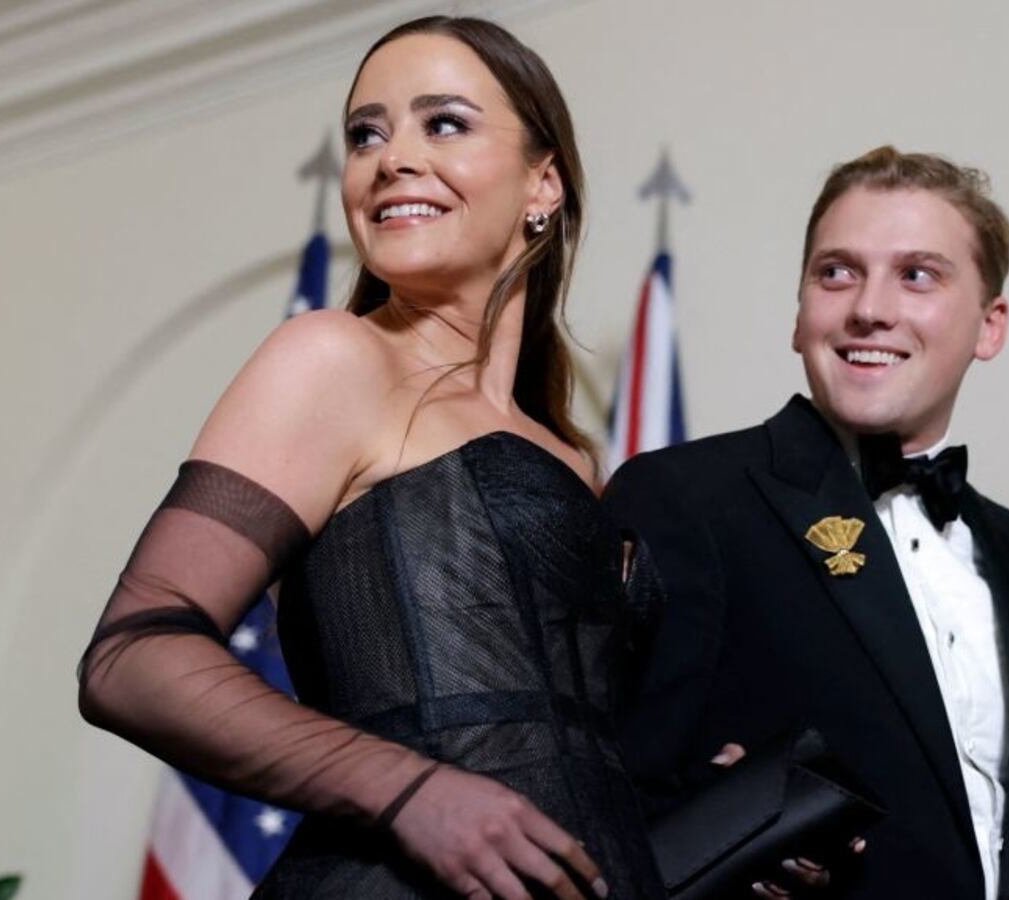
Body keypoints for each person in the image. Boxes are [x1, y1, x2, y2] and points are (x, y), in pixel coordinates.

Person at [79, 16, 665, 899]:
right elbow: (132, 654)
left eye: (444, 123)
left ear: (543, 184)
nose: (390, 158)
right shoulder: (334, 357)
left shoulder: (577, 457)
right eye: (366, 134)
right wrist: (409, 789)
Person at [606, 147, 1009, 898]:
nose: (869, 307)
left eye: (918, 275)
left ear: (989, 325)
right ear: (800, 313)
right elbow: (592, 791)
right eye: (836, 272)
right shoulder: (686, 499)